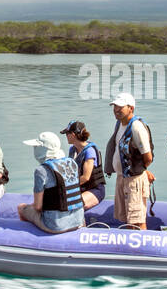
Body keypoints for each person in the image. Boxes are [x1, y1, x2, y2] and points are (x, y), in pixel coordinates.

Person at [17, 131, 86, 234]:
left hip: (55, 225)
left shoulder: (41, 171)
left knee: (21, 208)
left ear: (42, 149)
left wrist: (31, 206)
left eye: (36, 147)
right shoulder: (72, 163)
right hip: (79, 221)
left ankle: (27, 238)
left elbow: (37, 207)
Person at [104, 94, 154, 229]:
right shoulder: (119, 124)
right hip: (122, 177)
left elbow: (148, 157)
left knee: (137, 219)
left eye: (120, 107)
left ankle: (141, 247)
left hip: (133, 179)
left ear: (131, 108)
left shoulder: (136, 127)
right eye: (115, 106)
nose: (116, 110)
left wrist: (140, 171)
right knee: (127, 218)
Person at [61, 119, 106, 208]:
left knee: (72, 205)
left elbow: (85, 177)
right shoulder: (72, 150)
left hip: (94, 190)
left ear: (73, 135)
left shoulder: (90, 151)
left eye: (67, 134)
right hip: (80, 188)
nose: (66, 136)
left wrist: (67, 187)